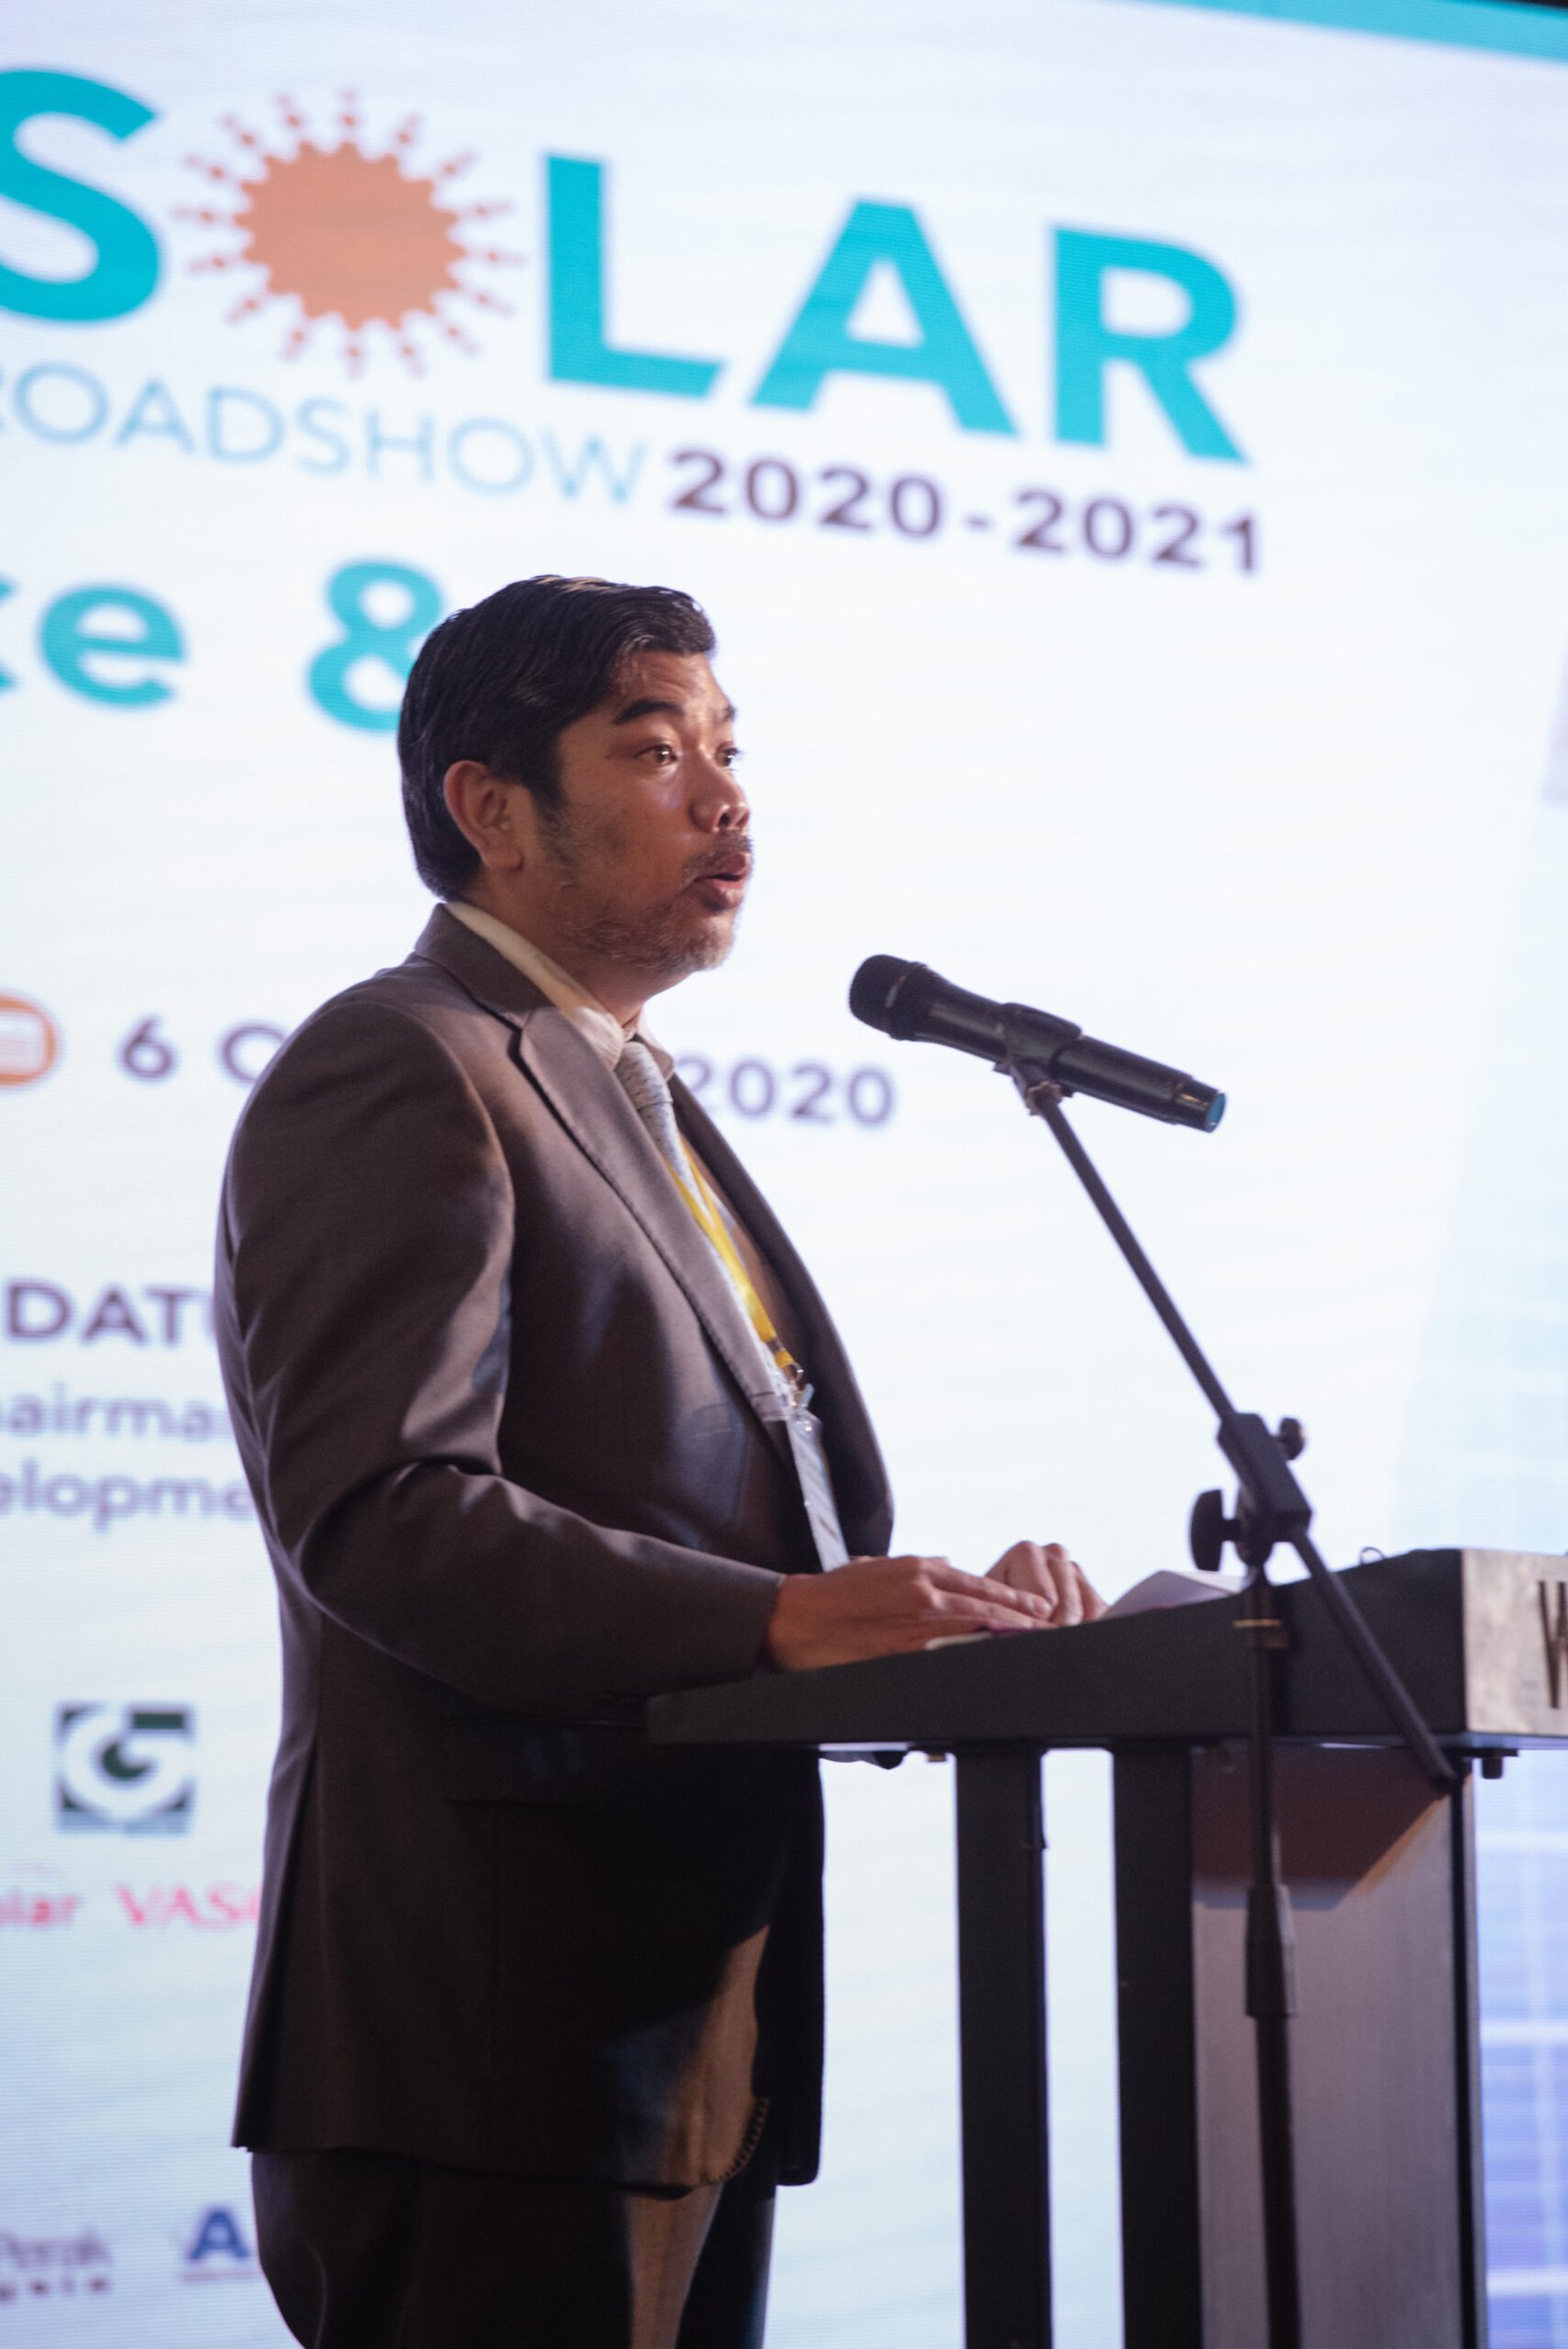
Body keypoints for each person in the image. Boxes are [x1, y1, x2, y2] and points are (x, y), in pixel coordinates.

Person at [214, 574, 1102, 2349]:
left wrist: (927, 1622)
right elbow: (385, 1517)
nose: (726, 796)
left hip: (677, 2029)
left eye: (729, 749)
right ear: (490, 808)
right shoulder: (404, 1062)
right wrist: (774, 1620)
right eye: (654, 750)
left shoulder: (627, 1085)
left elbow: (702, 1506)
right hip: (492, 2038)